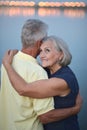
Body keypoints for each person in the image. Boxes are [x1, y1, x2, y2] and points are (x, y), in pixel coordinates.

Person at [2, 35, 82, 130]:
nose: (42, 55)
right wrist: (15, 52)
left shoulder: (62, 81)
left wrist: (7, 64)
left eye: (47, 50)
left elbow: (23, 89)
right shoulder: (48, 70)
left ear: (61, 54)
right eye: (40, 50)